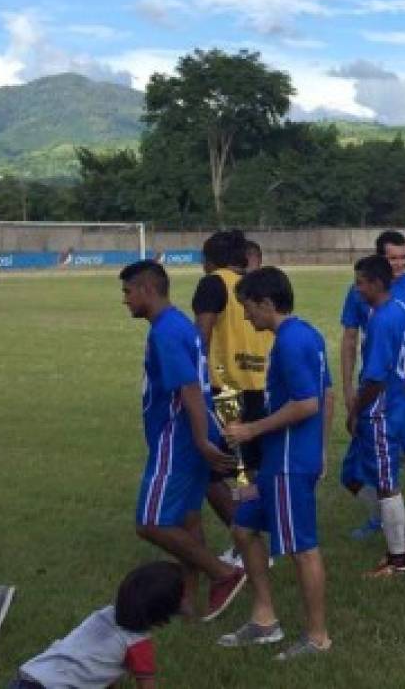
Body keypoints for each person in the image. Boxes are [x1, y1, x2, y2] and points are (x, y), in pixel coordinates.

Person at [119, 259, 245, 623]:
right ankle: (187, 602)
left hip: (177, 437)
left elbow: (189, 387)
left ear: (147, 289)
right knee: (188, 520)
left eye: (128, 292)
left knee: (151, 522)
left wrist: (202, 440)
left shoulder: (167, 332)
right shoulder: (176, 325)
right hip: (186, 435)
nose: (125, 300)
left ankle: (224, 572)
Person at [217, 266, 333, 660]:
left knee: (303, 549)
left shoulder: (289, 343)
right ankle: (265, 619)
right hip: (281, 460)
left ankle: (317, 638)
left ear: (266, 303)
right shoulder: (308, 334)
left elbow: (308, 403)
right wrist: (322, 449)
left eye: (248, 308)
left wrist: (251, 430)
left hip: (287, 462)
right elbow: (328, 393)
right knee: (243, 527)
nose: (247, 317)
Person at [340, 231, 405, 546]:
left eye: (402, 257)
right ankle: (384, 520)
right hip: (373, 388)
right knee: (359, 466)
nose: (399, 264)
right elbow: (349, 339)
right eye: (392, 258)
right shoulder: (359, 293)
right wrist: (348, 391)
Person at [192, 230, 273, 559]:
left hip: (225, 388)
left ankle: (248, 543)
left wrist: (193, 382)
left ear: (210, 260)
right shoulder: (255, 284)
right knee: (249, 470)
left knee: (210, 471)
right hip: (261, 386)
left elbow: (202, 333)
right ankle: (258, 538)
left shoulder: (213, 283)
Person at [347, 255, 405, 579]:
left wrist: (357, 409)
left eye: (361, 281)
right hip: (393, 406)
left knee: (387, 485)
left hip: (380, 414)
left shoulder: (382, 319)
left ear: (376, 283)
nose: (357, 287)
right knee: (352, 473)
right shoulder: (401, 309)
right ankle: (401, 534)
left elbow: (374, 377)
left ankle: (398, 559)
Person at [10, 561, 183, 689]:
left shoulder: (102, 615)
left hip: (29, 675)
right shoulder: (138, 643)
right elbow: (147, 686)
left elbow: (99, 666)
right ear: (164, 613)